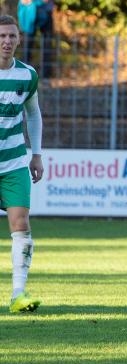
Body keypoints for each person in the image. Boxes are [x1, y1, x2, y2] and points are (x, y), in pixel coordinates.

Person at [0, 15, 44, 313]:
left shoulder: (28, 75)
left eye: (11, 36)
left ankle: (18, 294)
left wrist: (36, 153)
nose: (6, 42)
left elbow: (34, 115)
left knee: (21, 224)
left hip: (14, 161)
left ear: (19, 39)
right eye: (2, 36)